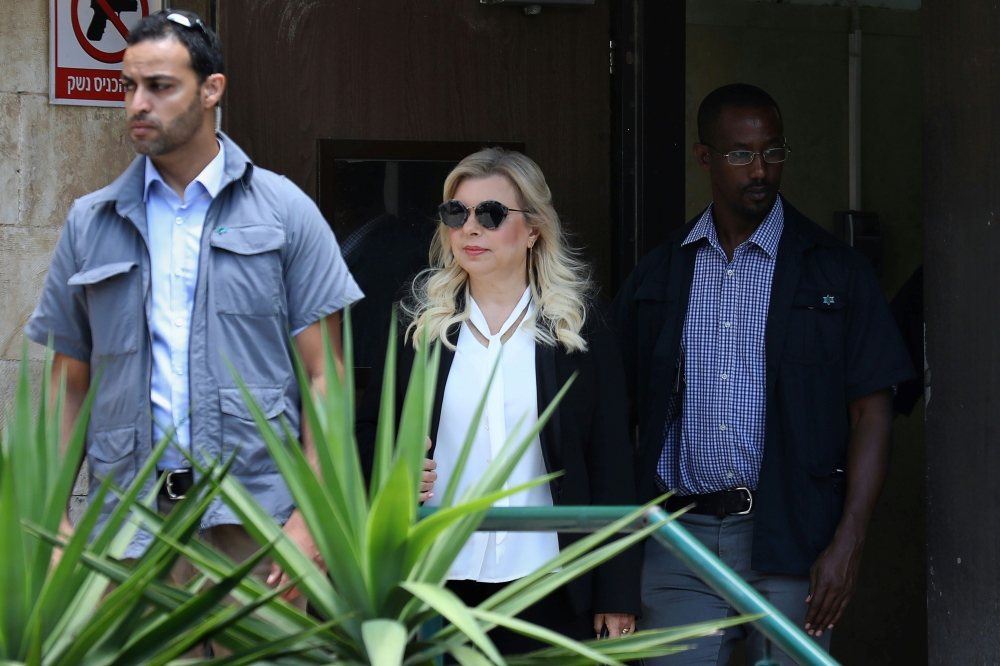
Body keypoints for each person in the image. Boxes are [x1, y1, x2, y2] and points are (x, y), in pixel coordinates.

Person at [25, 9, 365, 606]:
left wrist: (312, 518)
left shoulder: (284, 212)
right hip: (128, 530)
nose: (138, 104)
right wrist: (52, 523)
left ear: (212, 90)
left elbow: (325, 376)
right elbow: (67, 386)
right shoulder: (90, 223)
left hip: (258, 529)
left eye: (159, 86)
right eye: (129, 86)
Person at [612, 83, 914, 665]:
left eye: (772, 152)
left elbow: (872, 414)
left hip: (793, 540)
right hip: (678, 542)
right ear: (704, 157)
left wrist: (849, 541)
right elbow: (612, 411)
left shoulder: (836, 271)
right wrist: (620, 553)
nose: (760, 169)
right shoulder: (660, 273)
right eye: (740, 154)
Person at [356, 148, 640, 653]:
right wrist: (395, 471)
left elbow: (612, 461)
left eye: (490, 214)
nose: (470, 228)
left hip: (552, 579)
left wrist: (616, 592)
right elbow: (369, 431)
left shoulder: (580, 328)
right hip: (435, 581)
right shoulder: (416, 324)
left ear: (533, 230)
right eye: (456, 213)